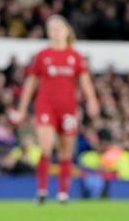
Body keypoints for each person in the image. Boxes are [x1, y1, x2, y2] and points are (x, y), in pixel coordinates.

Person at [11, 15, 99, 204]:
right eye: (51, 28)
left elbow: (84, 81)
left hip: (68, 109)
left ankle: (63, 193)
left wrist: (91, 100)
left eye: (58, 27)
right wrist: (23, 108)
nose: (55, 31)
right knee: (45, 147)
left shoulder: (75, 56)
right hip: (45, 107)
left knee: (65, 152)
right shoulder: (43, 56)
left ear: (66, 31)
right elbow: (31, 83)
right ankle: (42, 191)